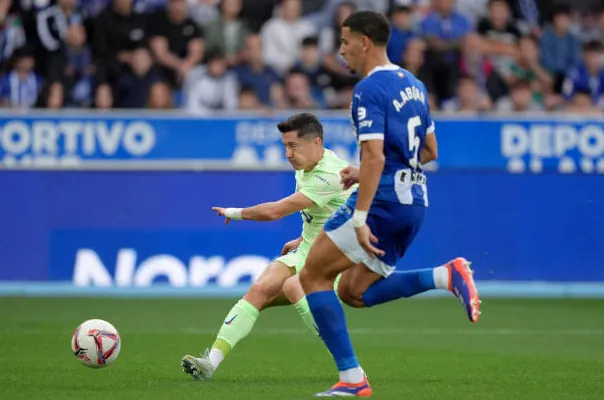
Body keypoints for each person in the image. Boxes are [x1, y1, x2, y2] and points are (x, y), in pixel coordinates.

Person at [298, 11, 482, 396]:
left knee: (311, 275)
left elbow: (377, 157)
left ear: (365, 42)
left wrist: (361, 216)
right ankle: (445, 275)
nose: (341, 49)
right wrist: (360, 170)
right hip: (413, 204)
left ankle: (352, 380)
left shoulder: (368, 89)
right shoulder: (413, 85)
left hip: (381, 204)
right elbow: (429, 150)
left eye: (345, 41)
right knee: (353, 292)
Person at [180, 113, 356, 380]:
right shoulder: (306, 166)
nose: (287, 154)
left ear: (316, 143)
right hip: (310, 249)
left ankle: (351, 368)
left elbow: (275, 211)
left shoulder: (330, 175)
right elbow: (333, 213)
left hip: (334, 258)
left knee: (292, 285)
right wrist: (302, 239)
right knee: (260, 288)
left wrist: (235, 212)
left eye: (293, 146)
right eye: (285, 146)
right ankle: (210, 363)